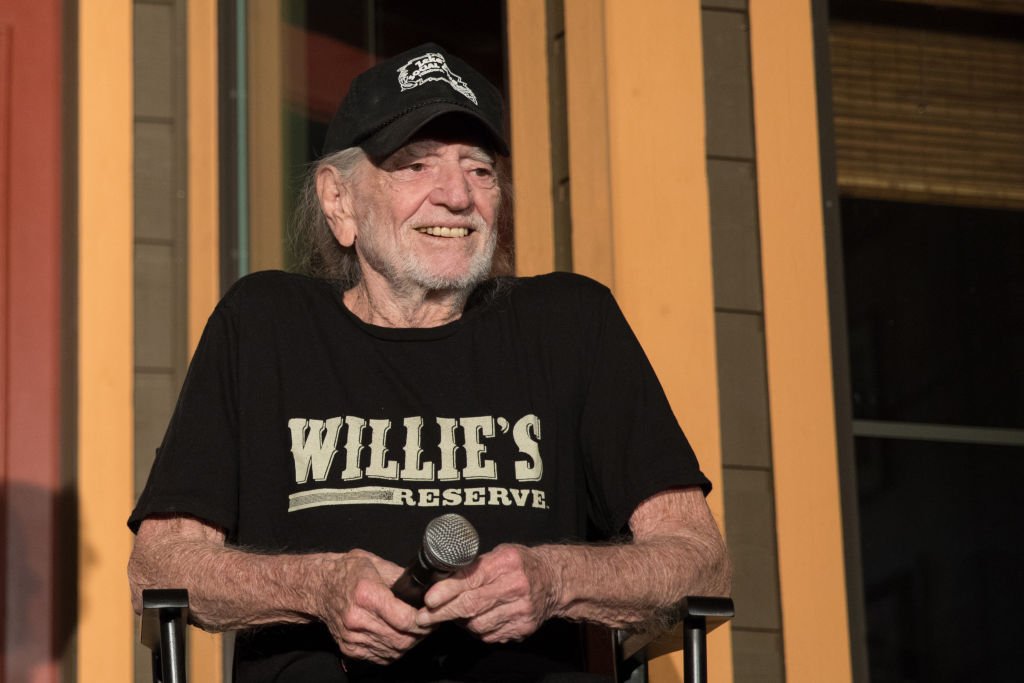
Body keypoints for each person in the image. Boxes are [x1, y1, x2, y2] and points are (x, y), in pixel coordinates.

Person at [128, 43, 730, 682]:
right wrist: (317, 585)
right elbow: (159, 567)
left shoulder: (570, 323)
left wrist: (554, 578)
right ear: (340, 202)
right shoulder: (267, 326)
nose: (456, 197)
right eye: (415, 166)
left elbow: (700, 559)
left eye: (480, 170)